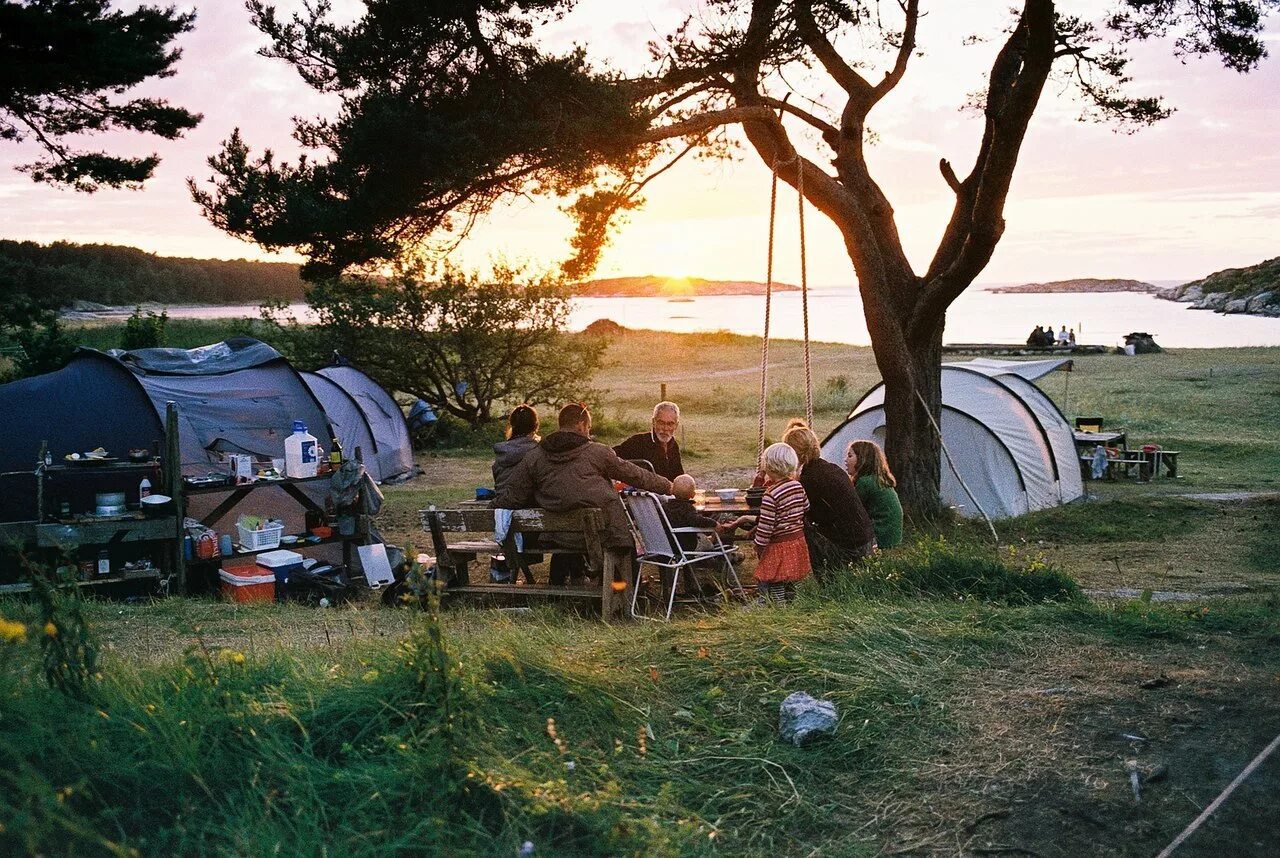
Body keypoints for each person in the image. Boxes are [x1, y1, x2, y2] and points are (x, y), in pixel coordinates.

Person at [496, 402, 671, 585]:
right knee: (624, 543)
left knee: (574, 532)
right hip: (602, 535)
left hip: (557, 537)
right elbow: (635, 475)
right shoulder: (597, 452)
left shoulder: (535, 456)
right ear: (580, 425)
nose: (589, 433)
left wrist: (492, 505)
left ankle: (565, 588)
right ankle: (628, 593)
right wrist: (668, 486)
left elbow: (512, 496)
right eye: (588, 428)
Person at [782, 420, 875, 579]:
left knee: (797, 525)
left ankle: (815, 578)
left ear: (793, 454)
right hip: (866, 541)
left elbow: (794, 513)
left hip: (848, 549)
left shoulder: (809, 480)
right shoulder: (832, 468)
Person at [752, 443, 811, 604]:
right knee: (792, 578)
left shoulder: (770, 495)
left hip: (779, 545)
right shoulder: (797, 486)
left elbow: (766, 527)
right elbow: (806, 506)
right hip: (797, 540)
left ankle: (779, 609)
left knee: (777, 579)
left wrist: (758, 545)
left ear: (769, 467)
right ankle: (795, 605)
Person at [844, 440, 904, 549]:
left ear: (862, 459)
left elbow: (851, 510)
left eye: (850, 456)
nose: (845, 460)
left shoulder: (865, 482)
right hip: (893, 536)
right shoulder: (877, 479)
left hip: (881, 536)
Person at [663, 474, 744, 551]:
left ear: (672, 490)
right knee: (725, 520)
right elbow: (696, 520)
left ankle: (716, 548)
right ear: (693, 494)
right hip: (689, 545)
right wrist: (714, 524)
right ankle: (719, 551)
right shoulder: (687, 508)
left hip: (671, 545)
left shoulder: (665, 507)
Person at [613, 401, 684, 480]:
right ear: (654, 422)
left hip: (667, 491)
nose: (665, 428)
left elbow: (678, 476)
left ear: (676, 425)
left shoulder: (673, 445)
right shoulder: (637, 442)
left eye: (670, 424)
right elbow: (610, 456)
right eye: (661, 423)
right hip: (644, 491)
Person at [492, 404, 539, 494]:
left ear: (512, 425)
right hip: (529, 500)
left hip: (502, 499)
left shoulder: (502, 451)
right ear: (535, 425)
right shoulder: (538, 450)